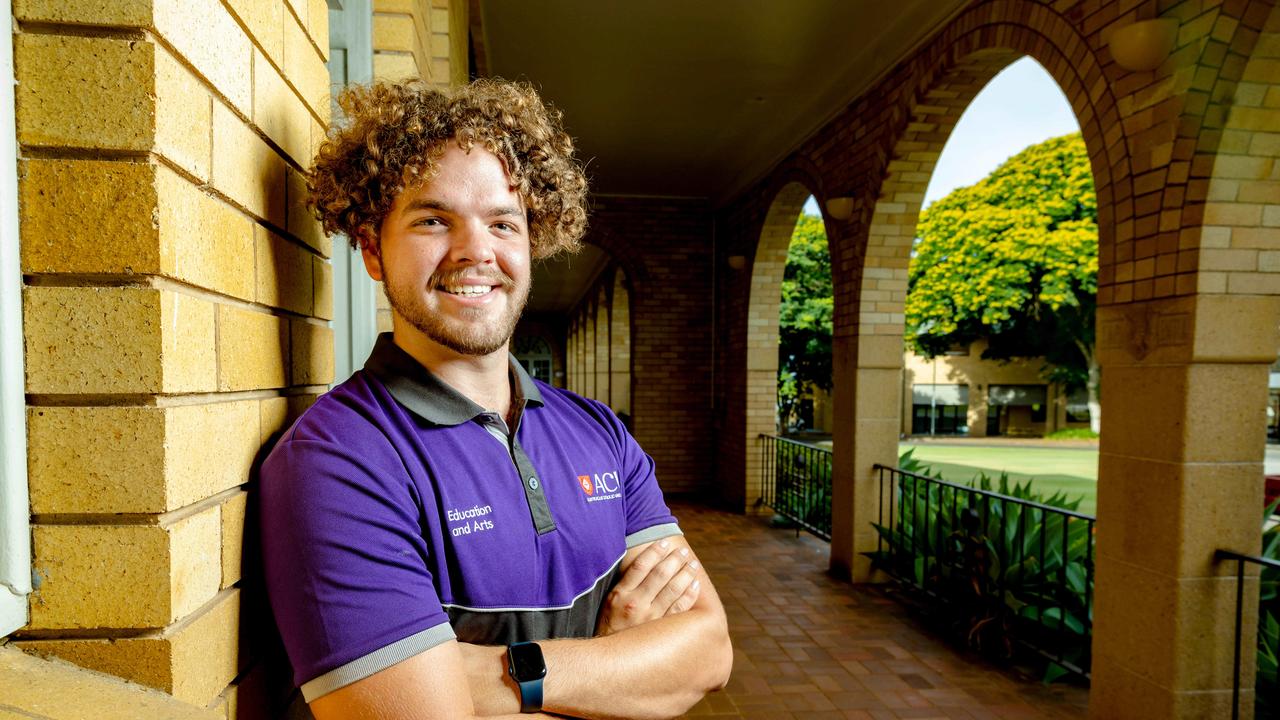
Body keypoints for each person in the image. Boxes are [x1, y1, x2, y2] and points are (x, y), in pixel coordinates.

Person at [259, 78, 733, 720]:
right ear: (373, 249)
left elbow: (707, 651)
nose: (475, 251)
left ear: (531, 243)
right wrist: (617, 664)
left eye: (503, 223)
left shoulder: (600, 432)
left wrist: (486, 678)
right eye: (433, 219)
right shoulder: (337, 460)